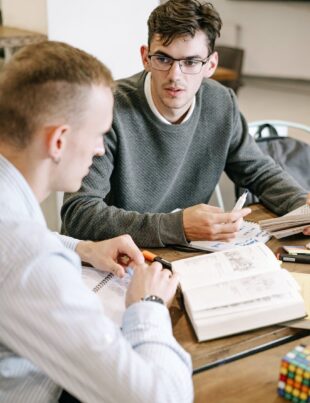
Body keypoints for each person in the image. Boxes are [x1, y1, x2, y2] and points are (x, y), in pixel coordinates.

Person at [0, 41, 193, 403]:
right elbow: (161, 398)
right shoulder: (28, 259)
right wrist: (147, 303)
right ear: (59, 140)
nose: (101, 149)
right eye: (99, 133)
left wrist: (83, 248)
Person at [61, 0, 309, 248]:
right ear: (145, 57)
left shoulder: (221, 102)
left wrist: (301, 205)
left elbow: (258, 172)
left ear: (210, 65)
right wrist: (177, 226)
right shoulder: (107, 108)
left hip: (184, 255)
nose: (175, 76)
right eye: (163, 59)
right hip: (113, 261)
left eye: (190, 62)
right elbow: (79, 214)